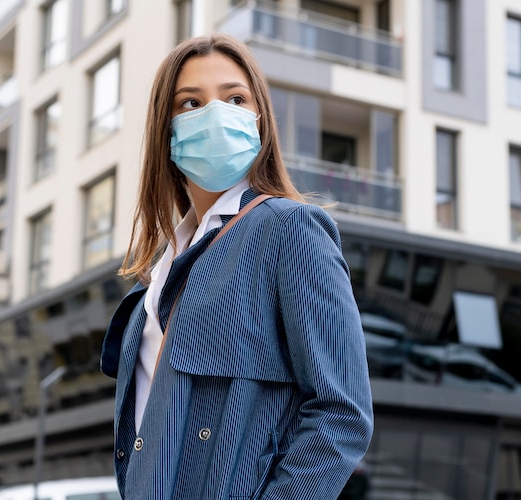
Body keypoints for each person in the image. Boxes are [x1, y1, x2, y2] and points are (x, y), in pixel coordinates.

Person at [100, 33, 373, 499]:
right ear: (165, 128)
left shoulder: (290, 230)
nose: (215, 115)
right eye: (191, 103)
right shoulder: (160, 273)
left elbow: (341, 413)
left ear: (259, 118)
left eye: (234, 98)